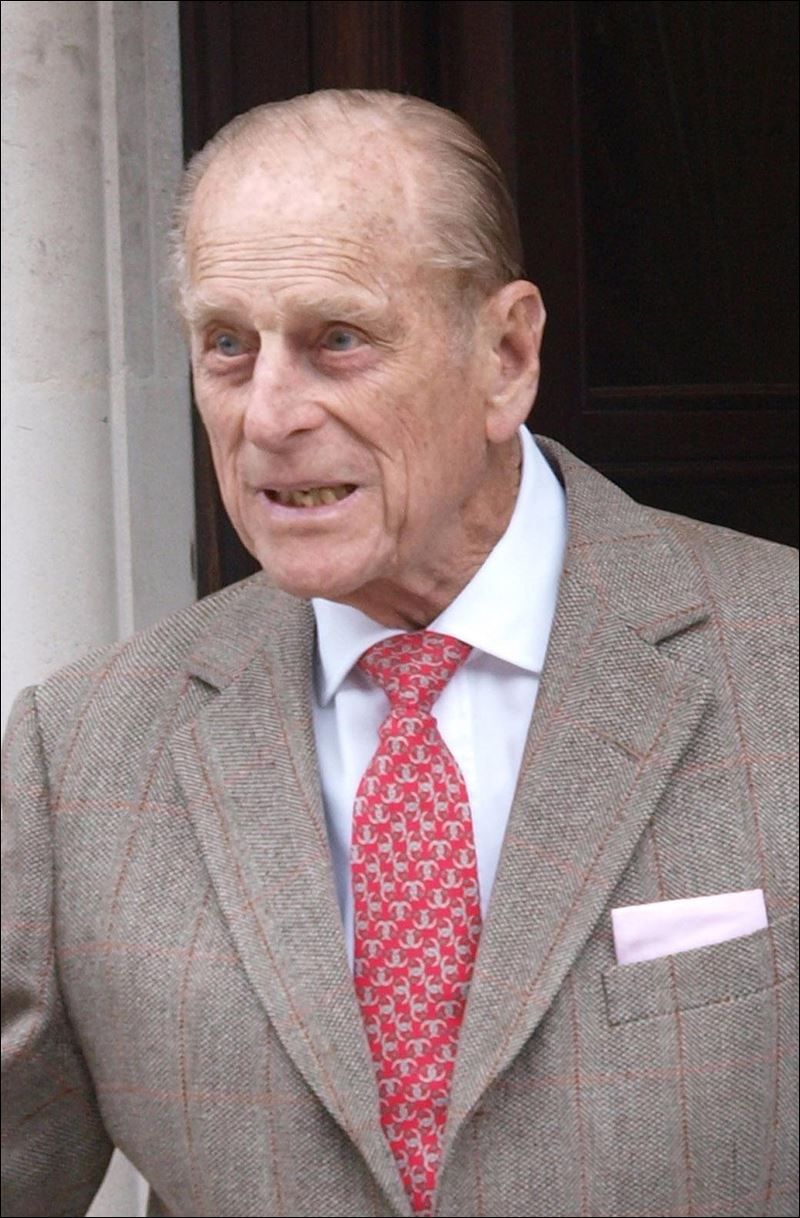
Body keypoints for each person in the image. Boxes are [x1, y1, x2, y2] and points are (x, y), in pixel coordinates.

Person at [2, 89, 797, 1218]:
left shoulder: (778, 663)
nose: (268, 416)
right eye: (227, 346)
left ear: (505, 355)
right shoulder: (80, 751)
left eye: (338, 340)